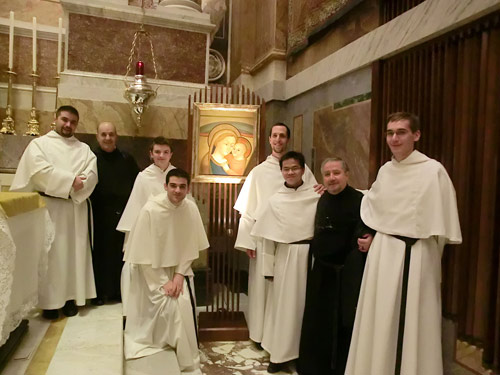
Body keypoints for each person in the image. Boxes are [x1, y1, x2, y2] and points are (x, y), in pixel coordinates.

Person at [345, 112, 462, 375]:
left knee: (415, 321)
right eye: (390, 133)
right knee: (380, 316)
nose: (394, 138)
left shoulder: (433, 171)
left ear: (416, 135)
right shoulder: (386, 171)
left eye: (401, 132)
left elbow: (440, 224)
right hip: (384, 253)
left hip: (418, 253)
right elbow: (375, 205)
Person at [10, 105, 98, 319]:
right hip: (49, 207)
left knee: (72, 255)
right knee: (50, 255)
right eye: (64, 120)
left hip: (74, 208)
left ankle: (70, 299)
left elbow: (92, 173)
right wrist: (70, 180)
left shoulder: (84, 149)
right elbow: (39, 171)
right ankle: (49, 303)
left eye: (73, 122)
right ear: (55, 119)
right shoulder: (39, 145)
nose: (68, 125)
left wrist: (79, 183)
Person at [233, 123, 316, 350]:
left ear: (287, 140)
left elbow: (311, 197)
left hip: (292, 240)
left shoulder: (303, 170)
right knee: (263, 289)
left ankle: (285, 340)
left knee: (287, 293)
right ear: (269, 139)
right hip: (264, 239)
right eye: (275, 136)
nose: (278, 140)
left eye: (282, 136)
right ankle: (260, 334)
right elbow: (247, 210)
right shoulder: (258, 172)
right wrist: (247, 240)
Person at [123, 168, 208, 374]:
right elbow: (143, 256)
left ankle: (185, 353)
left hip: (179, 271)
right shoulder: (150, 210)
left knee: (183, 303)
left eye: (182, 187)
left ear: (188, 189)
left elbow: (190, 245)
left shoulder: (190, 208)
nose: (177, 191)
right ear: (165, 186)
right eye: (173, 186)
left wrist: (179, 275)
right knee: (172, 307)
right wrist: (164, 281)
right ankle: (176, 351)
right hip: (151, 274)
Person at [297, 158, 374, 375]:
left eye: (336, 173)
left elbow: (366, 229)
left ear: (347, 174)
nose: (332, 178)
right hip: (321, 271)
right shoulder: (322, 199)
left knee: (343, 323)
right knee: (317, 322)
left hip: (346, 274)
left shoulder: (360, 200)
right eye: (328, 174)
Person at [250, 151, 318, 373]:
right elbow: (268, 240)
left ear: (303, 170)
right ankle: (280, 354)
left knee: (306, 309)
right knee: (284, 307)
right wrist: (268, 269)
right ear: (281, 172)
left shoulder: (316, 196)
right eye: (286, 169)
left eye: (295, 168)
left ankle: (303, 354)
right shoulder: (276, 200)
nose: (290, 172)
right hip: (285, 258)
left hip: (310, 257)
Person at [117, 136, 176, 315]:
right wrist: (131, 240)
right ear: (151, 154)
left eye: (165, 152)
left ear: (171, 154)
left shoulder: (176, 175)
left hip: (170, 232)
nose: (161, 156)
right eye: (157, 152)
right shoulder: (143, 177)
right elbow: (136, 206)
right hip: (148, 232)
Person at [90, 122, 139, 305]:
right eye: (104, 134)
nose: (108, 138)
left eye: (111, 134)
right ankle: (100, 292)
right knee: (100, 254)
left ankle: (119, 292)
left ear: (116, 136)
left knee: (120, 254)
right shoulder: (90, 158)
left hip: (123, 214)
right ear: (98, 136)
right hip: (99, 214)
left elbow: (137, 184)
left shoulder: (127, 159)